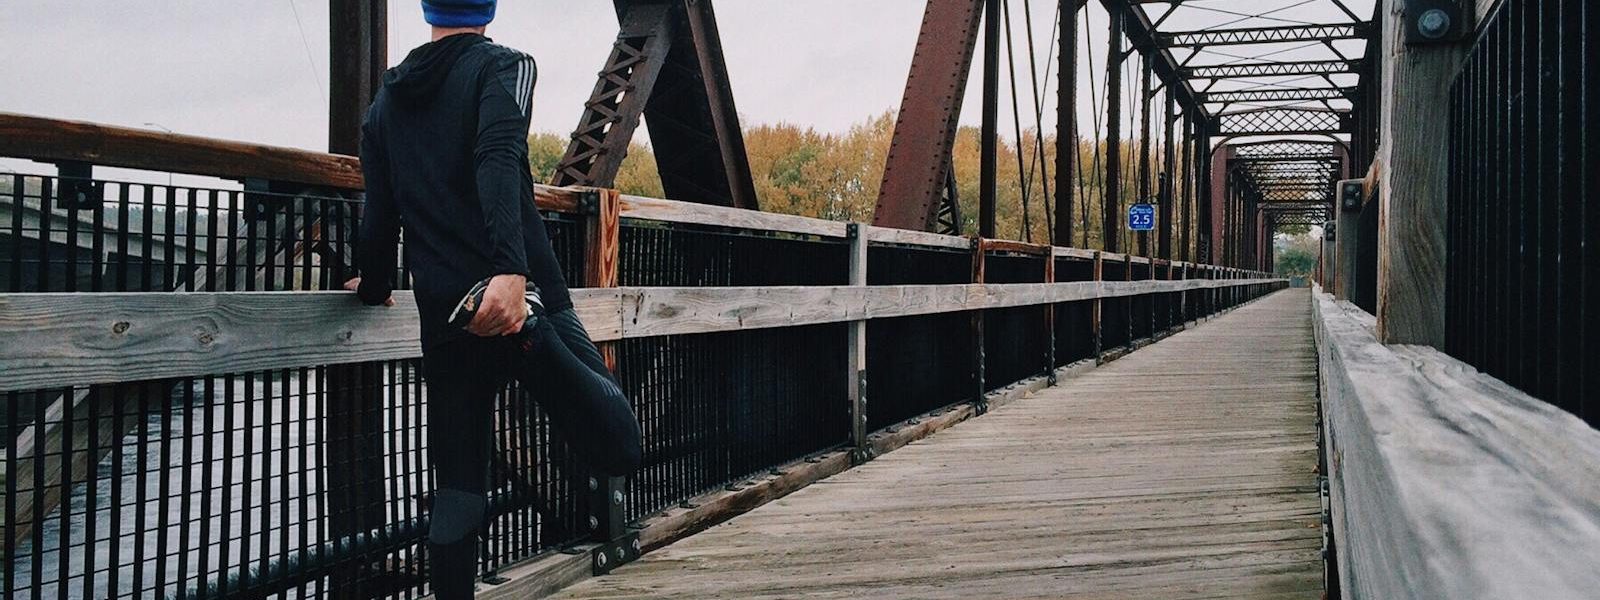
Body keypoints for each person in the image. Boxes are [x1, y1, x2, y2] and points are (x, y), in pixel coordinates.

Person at [343, 1, 642, 596]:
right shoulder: (504, 66)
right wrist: (510, 274)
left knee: (457, 491)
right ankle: (529, 336)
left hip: (449, 318)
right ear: (490, 8)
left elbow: (379, 217)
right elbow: (498, 159)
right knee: (619, 445)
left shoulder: (384, 105)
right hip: (525, 299)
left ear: (429, 8)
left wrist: (373, 285)